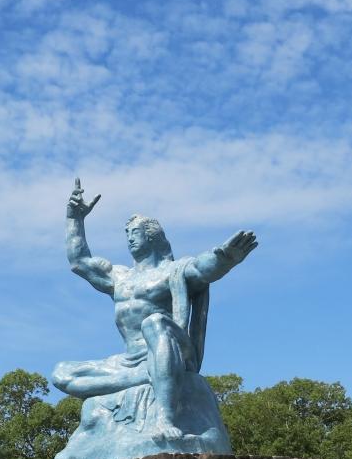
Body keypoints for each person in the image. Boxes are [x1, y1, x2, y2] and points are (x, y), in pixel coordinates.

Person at [52, 178, 257, 439]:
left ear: (151, 236)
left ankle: (165, 417)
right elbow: (79, 262)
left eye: (134, 233)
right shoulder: (120, 278)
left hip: (172, 349)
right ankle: (146, 376)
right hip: (129, 362)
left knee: (155, 322)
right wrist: (75, 219)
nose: (129, 238)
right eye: (126, 234)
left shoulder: (172, 271)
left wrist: (225, 259)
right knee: (61, 373)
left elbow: (202, 268)